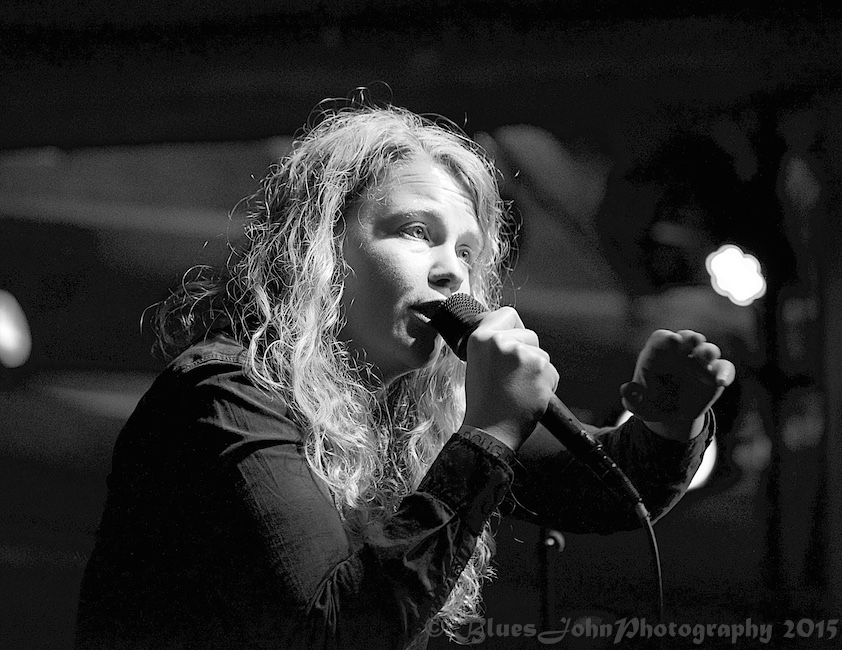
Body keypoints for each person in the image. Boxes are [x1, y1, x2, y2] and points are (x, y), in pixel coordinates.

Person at [74, 100, 735, 650]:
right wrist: (490, 434)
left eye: (467, 250)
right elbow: (334, 631)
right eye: (417, 232)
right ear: (323, 247)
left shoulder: (414, 416)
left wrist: (670, 419)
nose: (452, 271)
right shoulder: (227, 396)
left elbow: (611, 489)